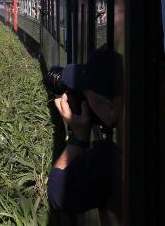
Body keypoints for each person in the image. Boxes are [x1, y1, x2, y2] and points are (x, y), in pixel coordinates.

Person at [47, 46, 122, 213]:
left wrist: (79, 136)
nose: (84, 98)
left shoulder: (110, 159)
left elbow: (56, 193)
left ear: (109, 106)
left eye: (87, 93)